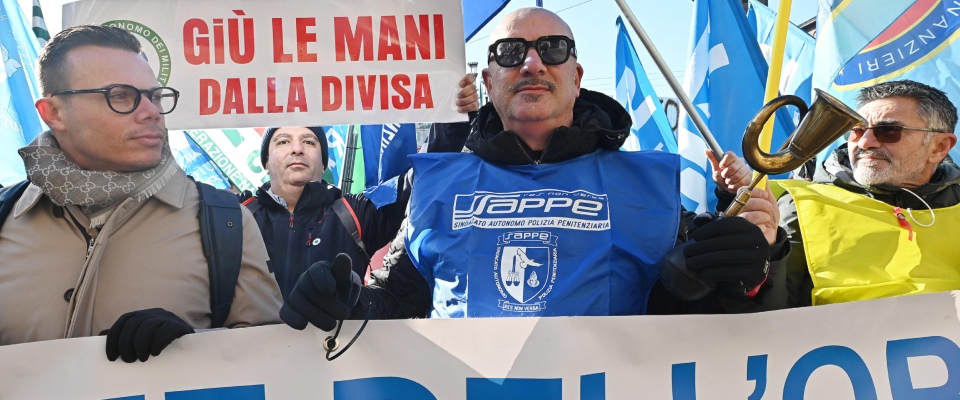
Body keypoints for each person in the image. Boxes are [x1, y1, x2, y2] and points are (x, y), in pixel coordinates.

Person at [278, 8, 789, 330]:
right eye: (510, 52)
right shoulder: (437, 183)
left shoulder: (649, 184)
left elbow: (688, 317)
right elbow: (399, 302)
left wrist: (741, 275)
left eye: (552, 48)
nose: (532, 63)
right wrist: (349, 304)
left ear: (576, 75)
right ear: (490, 80)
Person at [0, 25, 283, 362]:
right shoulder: (6, 217)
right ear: (54, 113)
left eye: (155, 95)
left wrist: (197, 346)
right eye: (120, 95)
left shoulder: (226, 221)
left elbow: (271, 360)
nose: (151, 111)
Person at [246, 76, 479, 298]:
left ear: (324, 161)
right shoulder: (237, 216)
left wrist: (453, 120)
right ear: (265, 161)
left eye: (309, 141)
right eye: (283, 141)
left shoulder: (352, 213)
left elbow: (423, 176)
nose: (297, 149)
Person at [778, 80, 960, 307]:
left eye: (889, 131)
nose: (865, 142)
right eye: (857, 130)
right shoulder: (798, 204)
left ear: (939, 147)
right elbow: (760, 314)